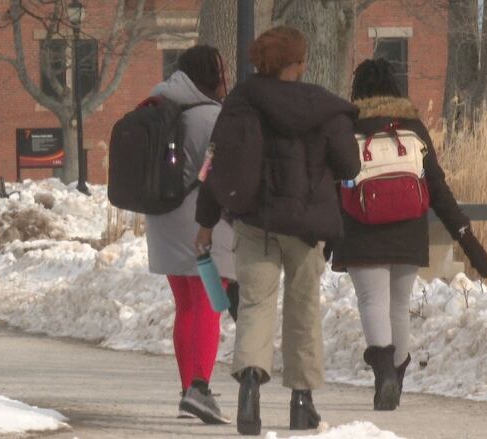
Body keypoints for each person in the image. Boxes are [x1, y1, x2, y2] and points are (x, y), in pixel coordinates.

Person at [195, 26, 361, 436]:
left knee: (255, 304)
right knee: (303, 310)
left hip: (255, 223)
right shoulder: (324, 107)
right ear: (299, 64)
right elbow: (350, 167)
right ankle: (302, 402)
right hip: (307, 226)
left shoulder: (239, 103)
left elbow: (215, 164)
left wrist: (205, 222)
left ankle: (250, 389)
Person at [331, 59, 487, 411]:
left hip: (361, 229)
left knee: (373, 301)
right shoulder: (413, 127)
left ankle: (385, 373)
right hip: (408, 230)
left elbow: (331, 183)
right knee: (398, 306)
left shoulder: (347, 126)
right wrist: (467, 238)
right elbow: (437, 186)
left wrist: (326, 233)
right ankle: (397, 376)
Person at [144, 44, 232, 425]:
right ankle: (199, 388)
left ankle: (188, 390)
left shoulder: (158, 106)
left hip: (163, 222)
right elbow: (219, 173)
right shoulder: (213, 118)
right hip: (203, 228)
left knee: (186, 307)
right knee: (210, 306)